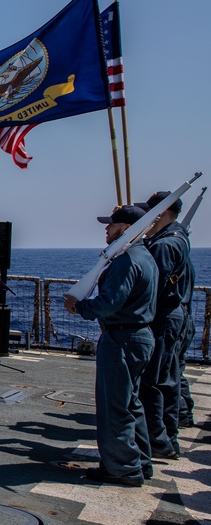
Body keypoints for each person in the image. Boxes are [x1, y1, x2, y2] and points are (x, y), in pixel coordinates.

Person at [64, 205, 157, 486]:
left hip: (121, 339)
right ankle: (139, 460)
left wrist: (78, 307)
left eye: (112, 225)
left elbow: (110, 303)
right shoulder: (145, 257)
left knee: (114, 405)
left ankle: (122, 467)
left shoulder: (126, 260)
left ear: (126, 228)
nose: (107, 229)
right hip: (138, 336)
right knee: (131, 403)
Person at [139, 191, 195, 458]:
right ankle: (168, 437)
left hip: (162, 318)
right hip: (174, 316)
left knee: (152, 382)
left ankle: (158, 441)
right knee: (168, 379)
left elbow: (153, 288)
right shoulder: (177, 238)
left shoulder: (163, 245)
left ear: (160, 213)